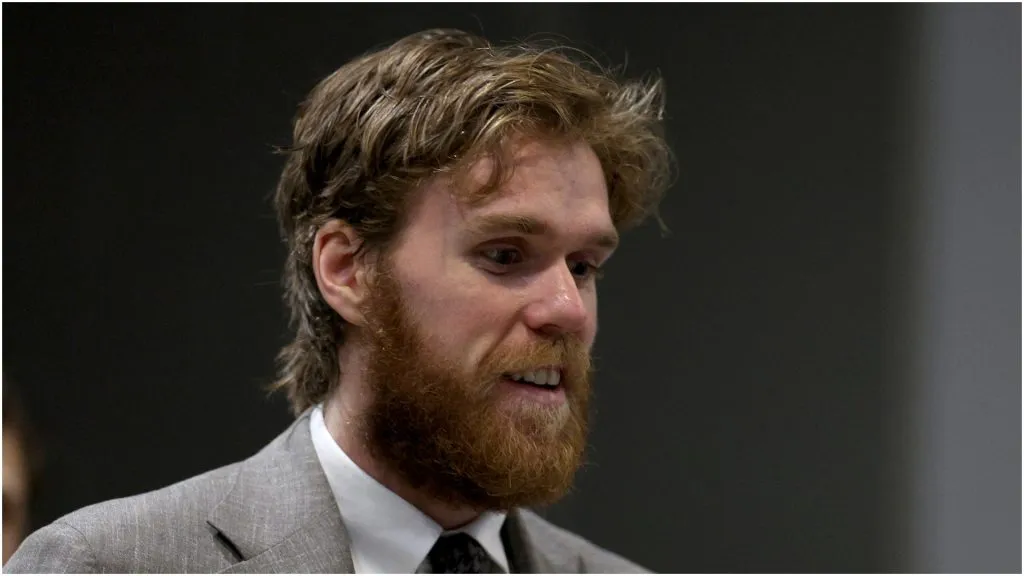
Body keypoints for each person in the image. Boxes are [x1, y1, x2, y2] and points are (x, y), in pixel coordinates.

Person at [5, 28, 671, 574]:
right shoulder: (106, 565)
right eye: (504, 255)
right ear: (347, 269)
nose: (569, 309)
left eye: (583, 266)